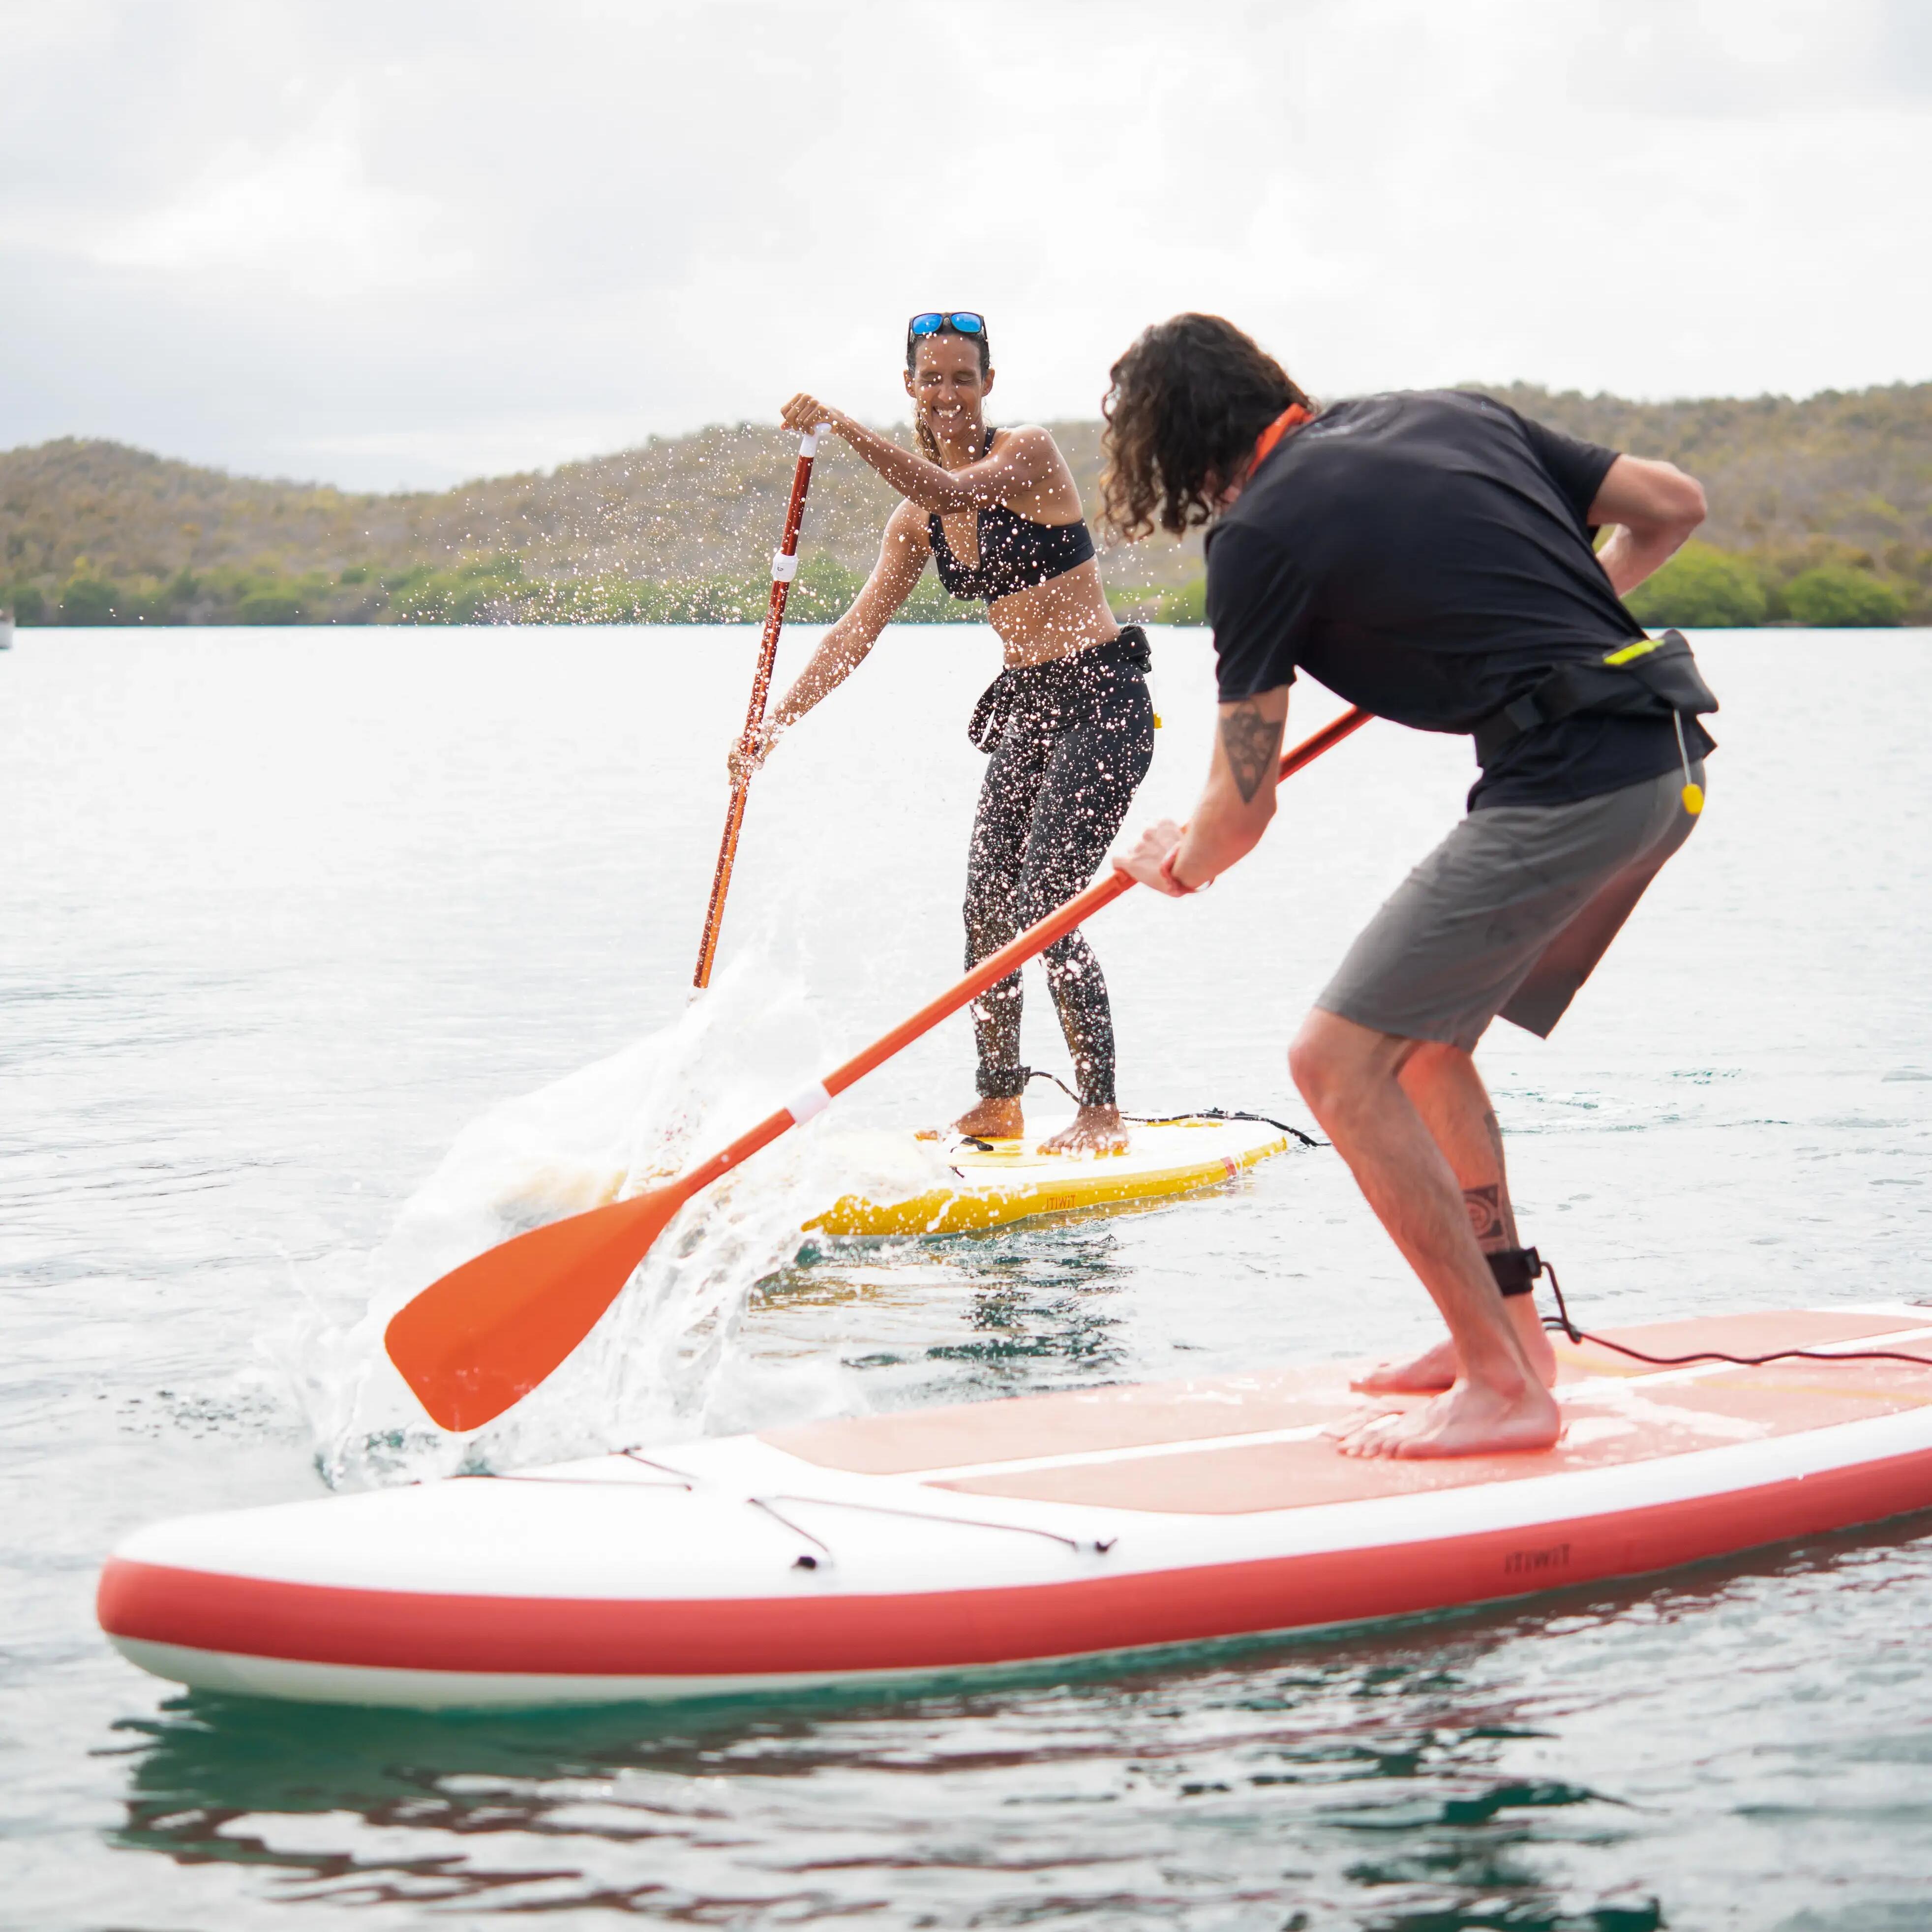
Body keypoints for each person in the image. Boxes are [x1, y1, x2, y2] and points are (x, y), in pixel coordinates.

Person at [1105, 314, 1715, 1459]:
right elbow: (1671, 504)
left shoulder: (1257, 536)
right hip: (1662, 759)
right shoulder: (1450, 414)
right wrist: (1558, 619)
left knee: (1334, 1062)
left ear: (1173, 451)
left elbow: (1239, 812)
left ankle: (1501, 1388)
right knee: (1424, 1049)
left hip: (1574, 782)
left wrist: (1172, 860)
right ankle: (1509, 1337)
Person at [739, 311, 1155, 1154]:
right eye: (931, 378)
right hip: (1029, 710)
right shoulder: (912, 522)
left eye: (963, 378)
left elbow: (957, 492)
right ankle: (999, 1101)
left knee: (1046, 903)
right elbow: (854, 632)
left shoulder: (1027, 453)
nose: (947, 394)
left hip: (1104, 705)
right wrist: (770, 726)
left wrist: (841, 425)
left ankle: (1101, 1110)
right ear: (911, 387)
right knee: (987, 907)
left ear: (988, 384)